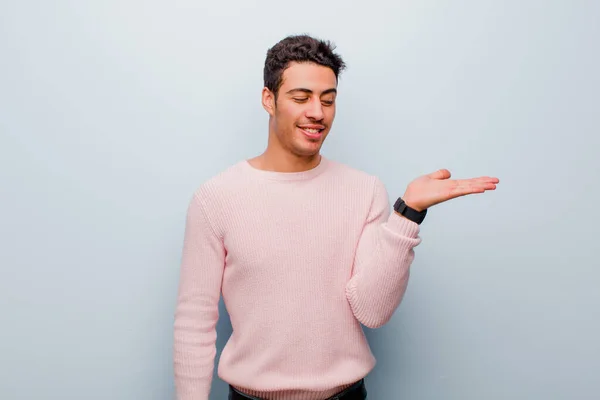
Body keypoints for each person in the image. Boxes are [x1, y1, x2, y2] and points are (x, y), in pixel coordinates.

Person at [173, 34, 499, 400]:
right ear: (269, 99)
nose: (317, 112)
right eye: (301, 98)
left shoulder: (364, 190)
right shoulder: (216, 198)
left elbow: (372, 310)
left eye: (328, 100)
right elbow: (194, 323)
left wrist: (408, 213)